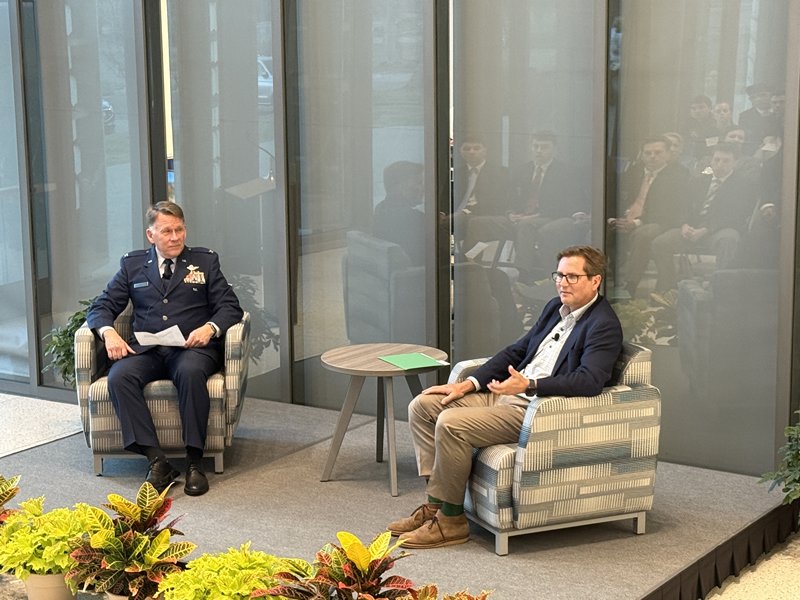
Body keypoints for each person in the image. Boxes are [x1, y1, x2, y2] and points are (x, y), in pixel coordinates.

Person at [387, 245, 623, 548]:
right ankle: (435, 506)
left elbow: (589, 381)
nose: (562, 283)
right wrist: (468, 384)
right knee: (423, 406)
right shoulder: (555, 307)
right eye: (559, 275)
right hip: (505, 394)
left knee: (451, 423)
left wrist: (530, 385)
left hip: (534, 408)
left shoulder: (603, 325)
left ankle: (452, 521)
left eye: (572, 277)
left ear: (595, 280)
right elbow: (518, 350)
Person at [86, 201, 243, 496]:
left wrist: (209, 328)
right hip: (148, 350)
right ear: (151, 235)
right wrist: (109, 334)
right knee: (120, 376)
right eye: (167, 231)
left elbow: (230, 307)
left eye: (179, 230)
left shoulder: (205, 261)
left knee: (190, 373)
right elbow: (101, 306)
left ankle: (195, 461)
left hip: (191, 349)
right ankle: (157, 460)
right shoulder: (132, 265)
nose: (175, 237)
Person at [650, 143, 756, 291]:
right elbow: (683, 206)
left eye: (726, 161)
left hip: (720, 229)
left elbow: (736, 215)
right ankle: (668, 287)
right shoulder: (698, 181)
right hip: (692, 228)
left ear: (735, 163)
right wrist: (684, 225)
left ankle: (720, 288)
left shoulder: (743, 185)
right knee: (660, 243)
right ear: (711, 160)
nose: (720, 165)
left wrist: (706, 229)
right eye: (717, 160)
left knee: (729, 240)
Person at [608, 136, 689, 297]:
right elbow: (613, 197)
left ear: (668, 154)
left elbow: (668, 211)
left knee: (643, 235)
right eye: (648, 153)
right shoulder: (633, 172)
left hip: (659, 222)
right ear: (642, 154)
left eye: (658, 153)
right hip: (626, 218)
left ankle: (630, 286)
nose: (652, 156)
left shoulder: (677, 176)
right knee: (597, 230)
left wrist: (636, 223)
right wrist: (612, 219)